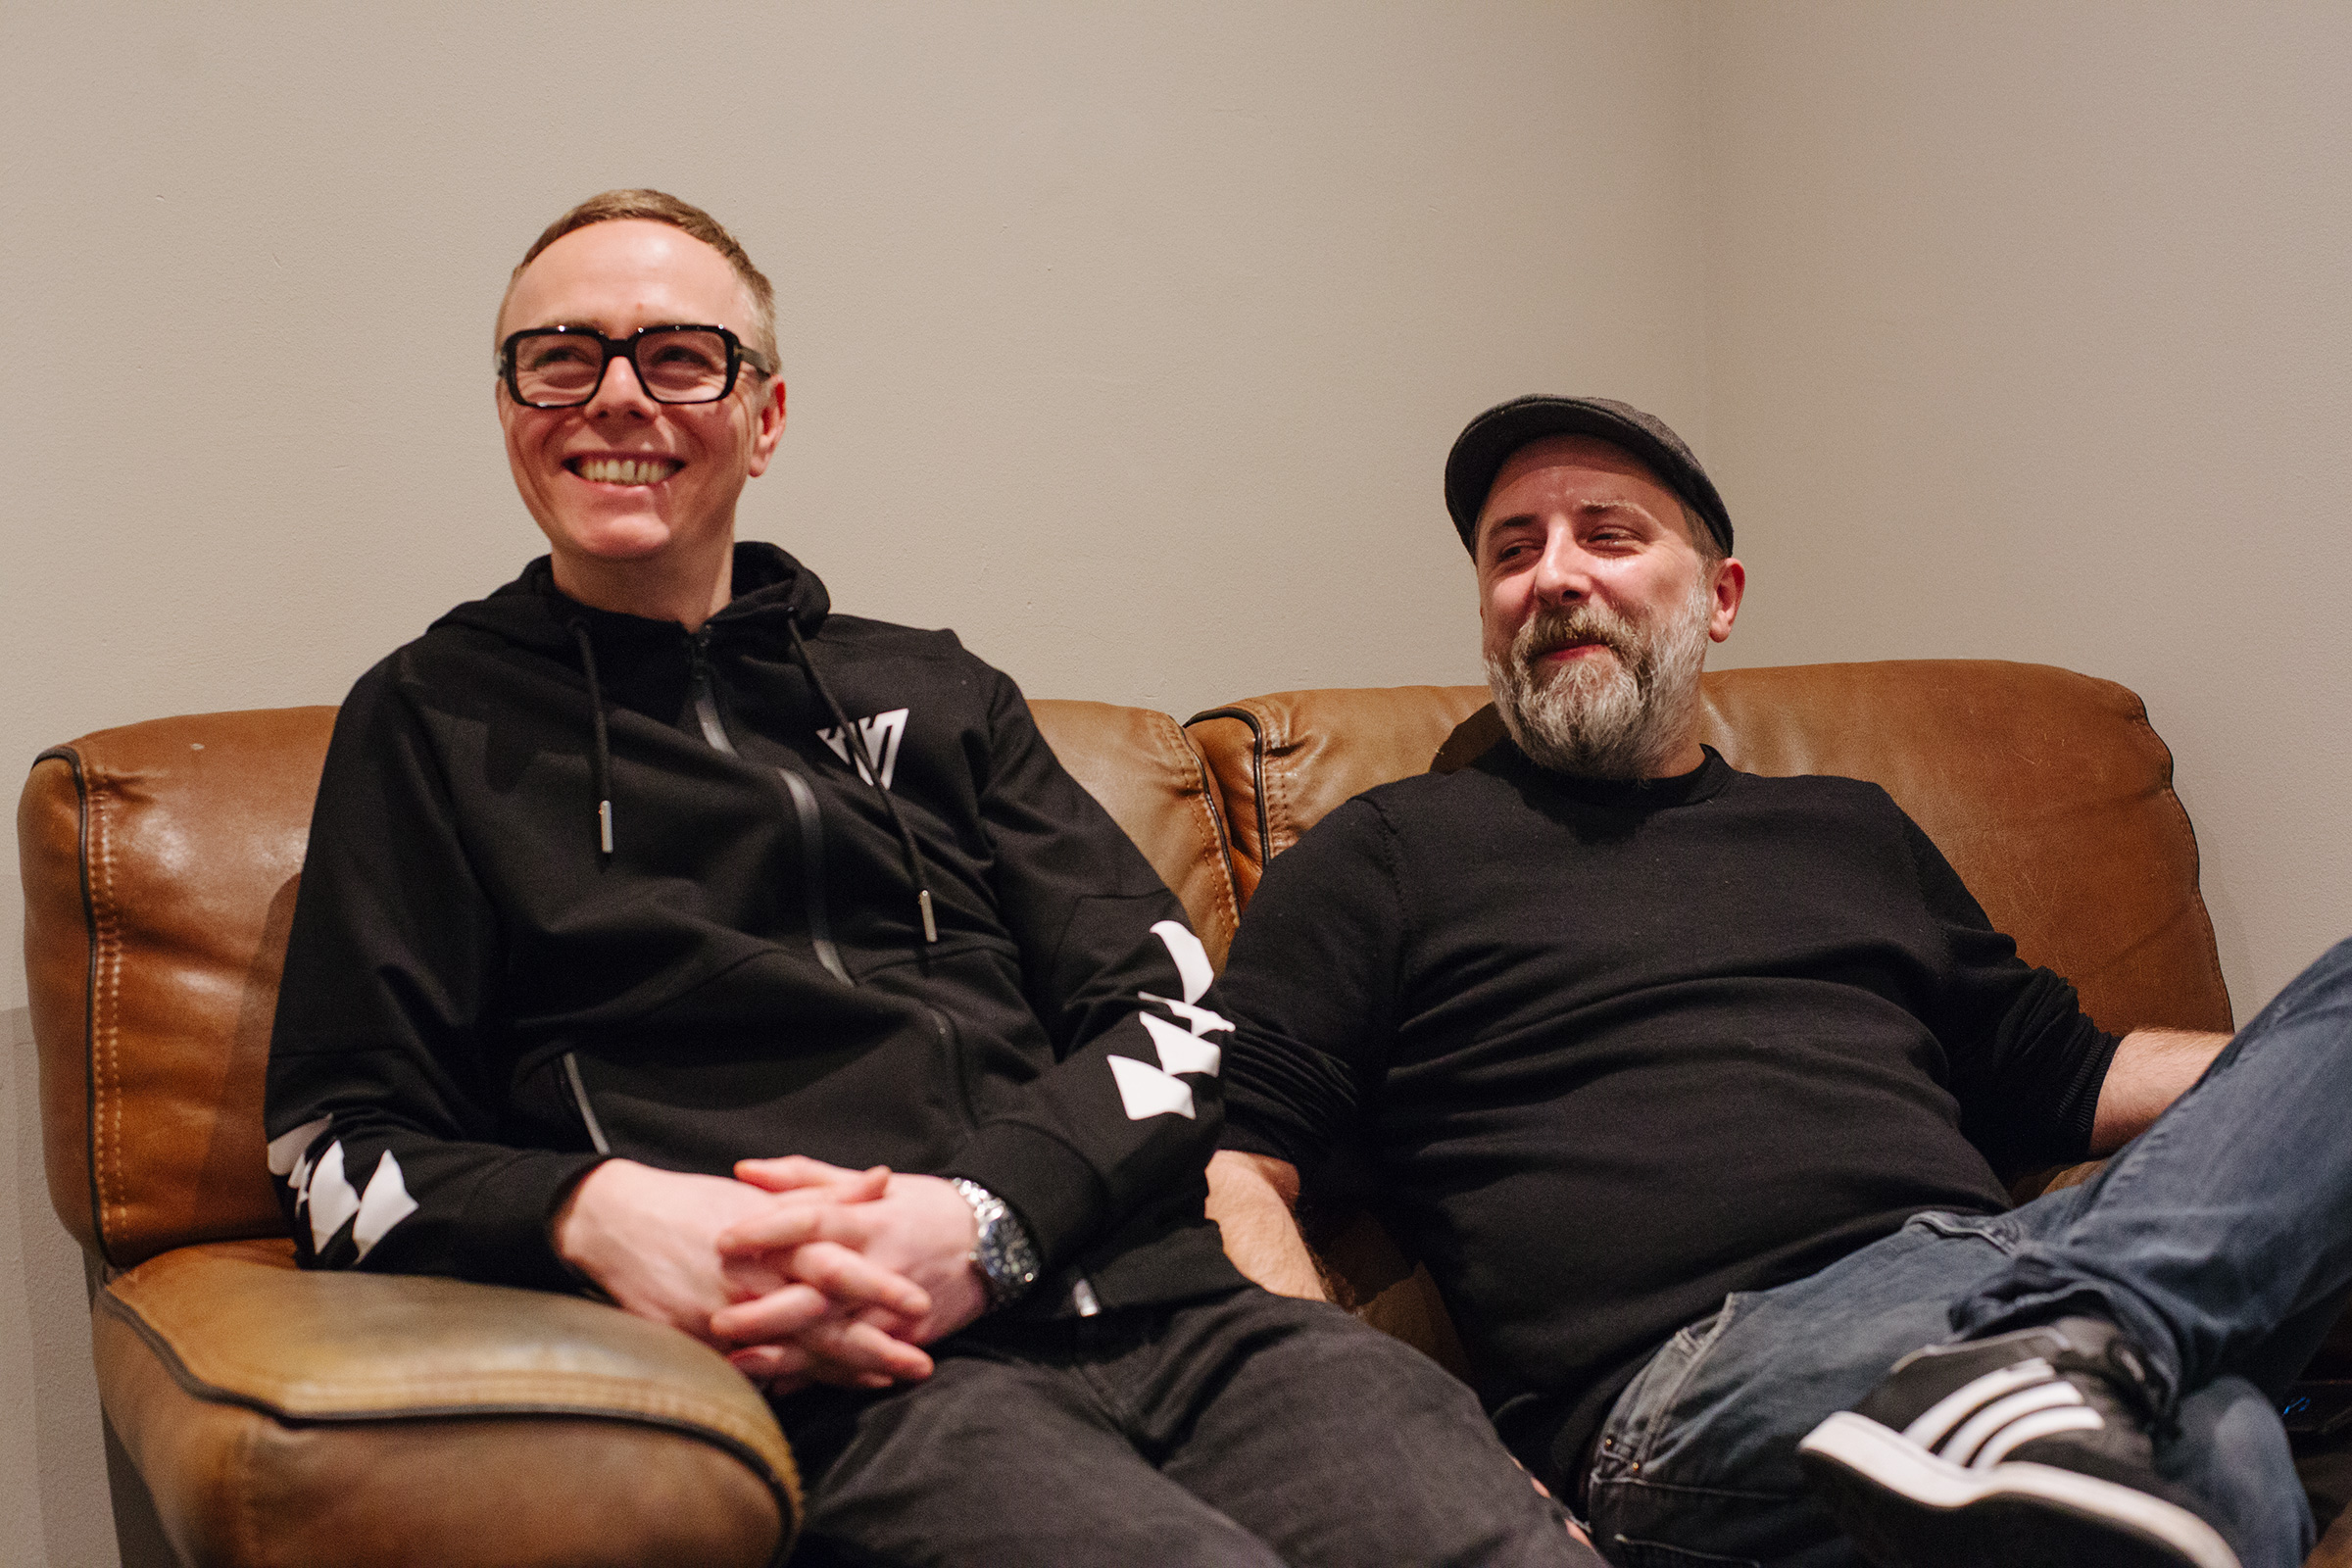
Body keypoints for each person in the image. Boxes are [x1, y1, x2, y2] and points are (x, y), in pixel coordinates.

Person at [262, 190, 1596, 1567]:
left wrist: (982, 1218)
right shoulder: (430, 720)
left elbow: (1179, 1015)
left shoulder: (936, 690)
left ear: (765, 417)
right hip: (845, 1378)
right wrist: (596, 1215)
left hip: (1181, 1323)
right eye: (560, 357)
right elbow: (332, 1152)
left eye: (678, 357)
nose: (614, 395)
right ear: (508, 407)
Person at [1206, 393, 2352, 1568]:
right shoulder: (1387, 853)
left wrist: (2308, 1084)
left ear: (1720, 597)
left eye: (1606, 534)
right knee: (2217, 1440)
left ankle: (2059, 1362)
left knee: (2224, 1433)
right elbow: (1221, 1158)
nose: (1553, 576)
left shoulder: (1847, 827)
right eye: (1512, 551)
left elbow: (2070, 1072)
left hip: (2006, 1262)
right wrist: (1399, 1450)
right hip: (1704, 1374)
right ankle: (2090, 1347)